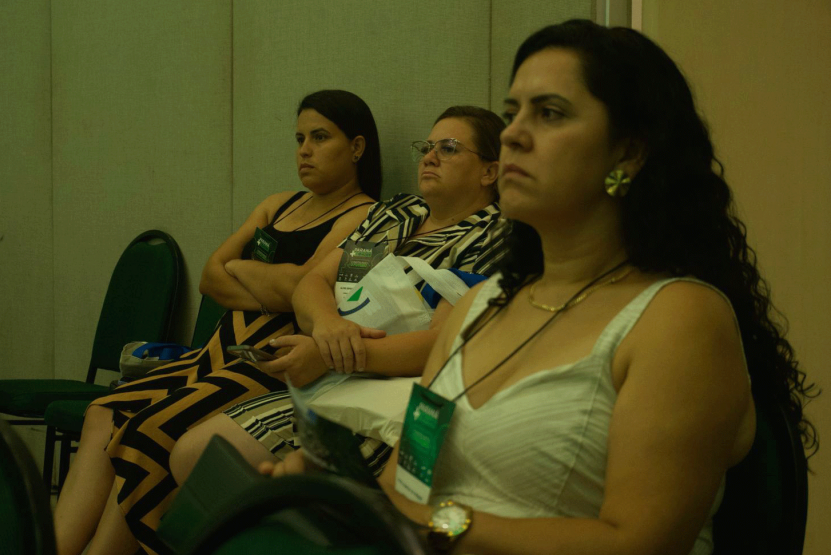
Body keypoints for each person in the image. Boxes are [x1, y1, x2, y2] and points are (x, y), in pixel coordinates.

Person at [258, 20, 818, 555]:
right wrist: (338, 491)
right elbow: (410, 479)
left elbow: (638, 544)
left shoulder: (678, 318)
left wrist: (444, 526)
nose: (514, 136)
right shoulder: (480, 306)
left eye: (549, 113)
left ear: (629, 152)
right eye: (511, 113)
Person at [53, 89, 382, 555]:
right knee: (103, 411)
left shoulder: (365, 215)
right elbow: (211, 276)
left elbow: (307, 288)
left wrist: (245, 271)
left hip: (263, 365)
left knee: (148, 429)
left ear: (356, 147)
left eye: (320, 137)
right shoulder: (278, 205)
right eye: (299, 138)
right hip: (211, 354)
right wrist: (274, 282)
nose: (304, 150)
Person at [168, 105, 508, 484]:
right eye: (426, 147)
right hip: (327, 371)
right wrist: (329, 325)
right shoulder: (398, 213)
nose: (429, 157)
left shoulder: (491, 236)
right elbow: (313, 283)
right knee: (189, 453)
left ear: (489, 171)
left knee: (198, 455)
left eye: (448, 148)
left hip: (388, 395)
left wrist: (336, 355)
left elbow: (441, 347)